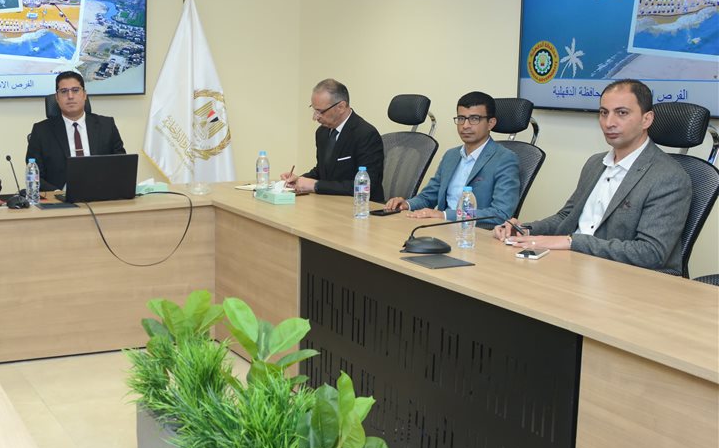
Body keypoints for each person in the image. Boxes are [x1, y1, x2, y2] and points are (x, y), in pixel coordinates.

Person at [493, 79, 691, 274]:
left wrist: (571, 242)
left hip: (625, 277)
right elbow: (566, 217)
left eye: (622, 113)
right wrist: (525, 230)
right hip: (574, 265)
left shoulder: (668, 177)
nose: (609, 123)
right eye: (604, 113)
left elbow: (650, 253)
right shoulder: (595, 163)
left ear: (646, 119)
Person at [384, 91, 520, 226]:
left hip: (475, 233)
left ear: (490, 123)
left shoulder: (505, 159)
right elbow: (429, 196)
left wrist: (445, 215)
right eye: (461, 118)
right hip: (442, 228)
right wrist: (407, 204)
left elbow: (500, 214)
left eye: (474, 119)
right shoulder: (451, 155)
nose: (465, 125)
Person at [282, 79, 385, 202]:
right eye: (314, 110)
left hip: (361, 206)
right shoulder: (322, 132)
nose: (315, 117)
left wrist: (315, 185)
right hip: (330, 202)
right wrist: (298, 180)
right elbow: (323, 171)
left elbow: (366, 185)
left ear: (341, 107)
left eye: (320, 111)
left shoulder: (365, 134)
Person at [25, 71, 125, 191]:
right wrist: (57, 194)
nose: (70, 96)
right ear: (57, 98)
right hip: (59, 198)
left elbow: (121, 165)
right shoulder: (41, 131)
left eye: (75, 90)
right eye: (64, 91)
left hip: (102, 194)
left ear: (84, 95)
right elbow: (34, 176)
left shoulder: (106, 126)